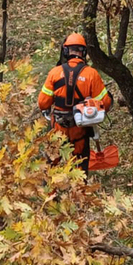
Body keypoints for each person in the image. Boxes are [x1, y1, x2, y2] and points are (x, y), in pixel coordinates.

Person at [38, 33, 113, 174]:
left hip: (57, 128)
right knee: (80, 166)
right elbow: (106, 103)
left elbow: (43, 103)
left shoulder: (54, 73)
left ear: (66, 51)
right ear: (84, 52)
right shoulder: (91, 74)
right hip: (80, 128)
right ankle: (80, 193)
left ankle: (50, 194)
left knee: (51, 166)